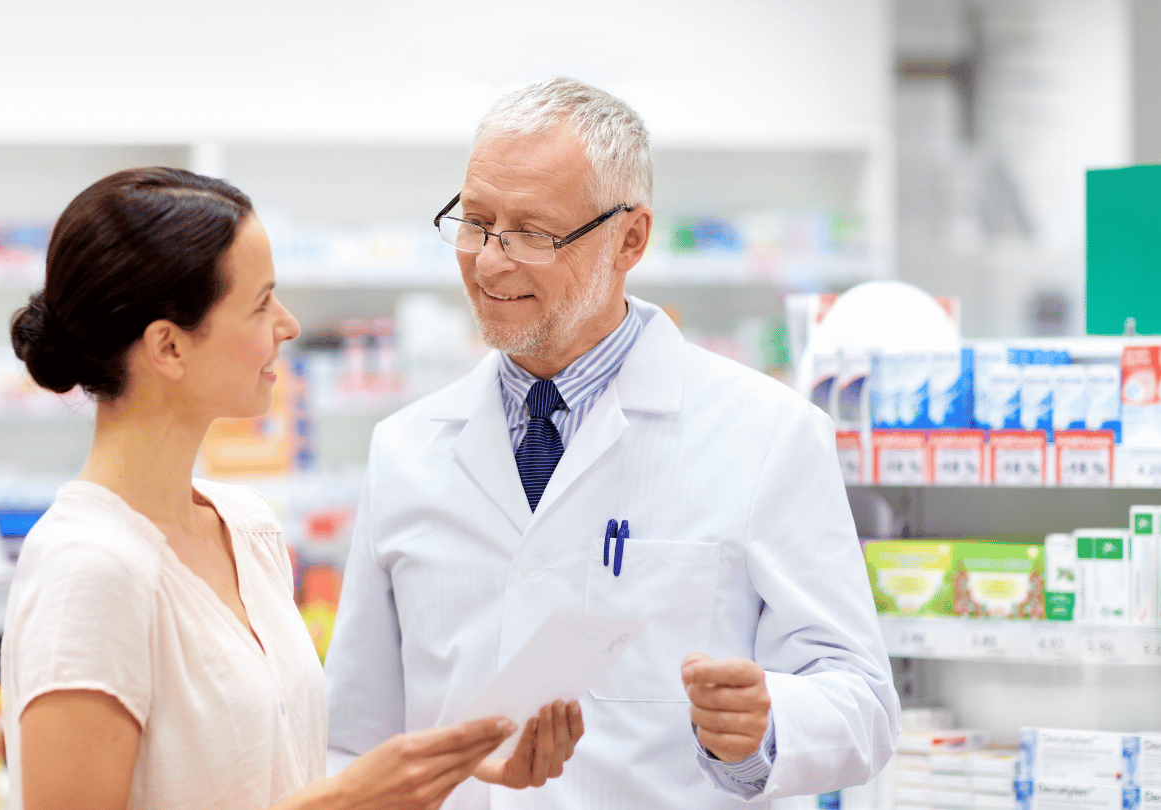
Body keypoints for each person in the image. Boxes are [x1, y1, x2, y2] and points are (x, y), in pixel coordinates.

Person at [323, 78, 900, 810]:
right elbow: (356, 735)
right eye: (475, 221)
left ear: (630, 238)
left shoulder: (766, 434)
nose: (491, 261)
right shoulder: (404, 449)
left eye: (533, 232)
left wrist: (764, 725)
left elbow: (865, 702)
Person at [1, 167, 578, 810]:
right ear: (168, 347)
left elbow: (268, 775)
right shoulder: (90, 569)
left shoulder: (245, 528)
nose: (289, 324)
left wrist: (451, 770)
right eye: (260, 303)